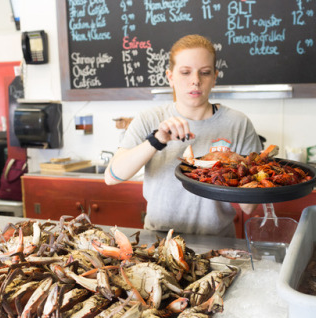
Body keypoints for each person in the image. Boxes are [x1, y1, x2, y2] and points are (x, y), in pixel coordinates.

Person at [105, 34, 262, 237]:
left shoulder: (238, 123)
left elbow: (250, 206)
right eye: (186, 72)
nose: (195, 81)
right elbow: (112, 176)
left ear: (214, 77)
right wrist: (157, 140)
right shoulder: (149, 119)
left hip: (218, 243)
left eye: (204, 73)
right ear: (170, 77)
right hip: (159, 240)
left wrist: (233, 166)